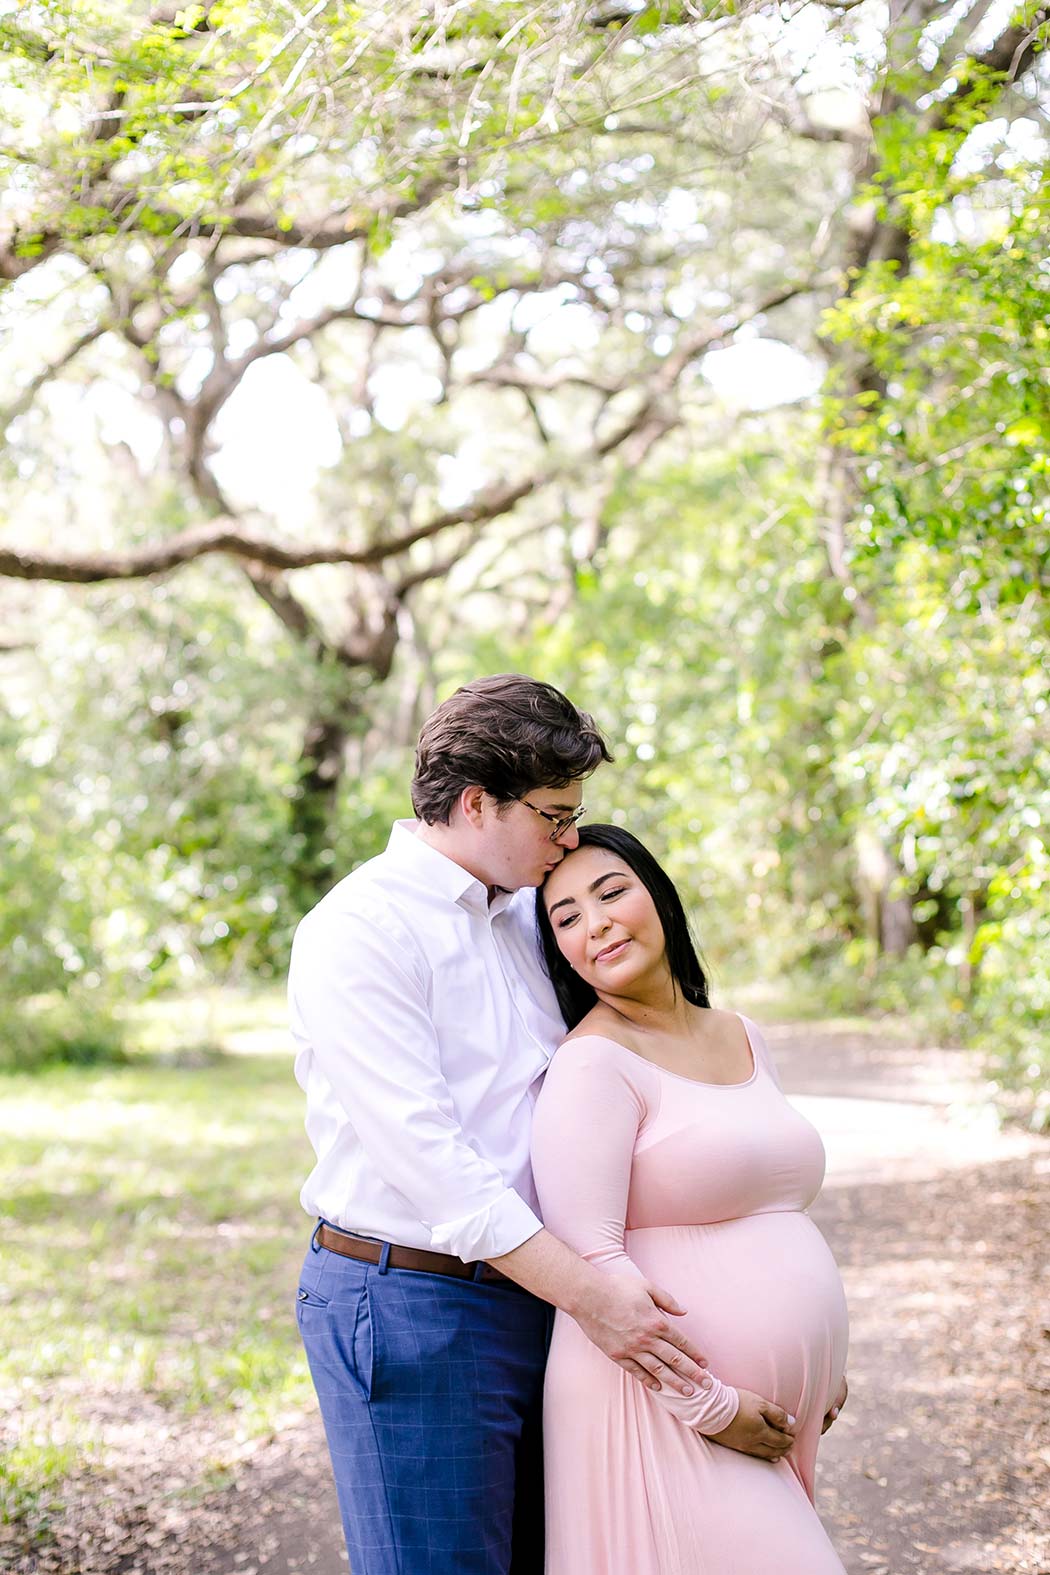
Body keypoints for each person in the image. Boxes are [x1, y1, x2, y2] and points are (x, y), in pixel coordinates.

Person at [288, 677, 714, 1575]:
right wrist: (599, 1301)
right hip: (415, 1303)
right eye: (555, 814)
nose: (569, 838)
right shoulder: (359, 932)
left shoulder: (530, 910)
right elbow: (435, 1168)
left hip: (542, 1293)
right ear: (478, 802)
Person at [531, 823, 850, 1574]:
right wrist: (708, 1404)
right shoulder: (592, 1064)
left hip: (757, 1419)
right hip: (661, 1414)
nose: (596, 921)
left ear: (661, 898)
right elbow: (592, 1270)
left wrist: (822, 1361)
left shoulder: (741, 1033)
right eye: (567, 916)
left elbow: (775, 1209)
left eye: (611, 893)